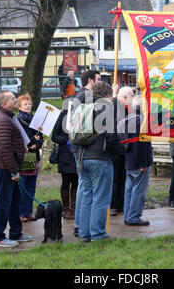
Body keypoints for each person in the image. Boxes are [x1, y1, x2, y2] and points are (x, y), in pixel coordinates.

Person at [71, 82, 120, 242]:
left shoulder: (84, 106)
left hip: (82, 157)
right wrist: (121, 148)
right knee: (101, 197)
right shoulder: (104, 108)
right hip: (100, 158)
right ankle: (98, 234)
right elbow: (111, 136)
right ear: (107, 96)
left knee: (87, 195)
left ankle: (84, 233)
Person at [0, 90, 32, 247]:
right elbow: (4, 148)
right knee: (4, 202)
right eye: (13, 99)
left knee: (15, 199)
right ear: (4, 103)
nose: (16, 100)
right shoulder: (3, 119)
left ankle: (16, 233)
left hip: (7, 165)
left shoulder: (8, 116)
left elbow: (9, 142)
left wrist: (21, 147)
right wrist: (14, 171)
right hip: (4, 166)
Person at [72, 70, 102, 237]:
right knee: (85, 187)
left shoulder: (78, 97)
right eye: (98, 79)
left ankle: (80, 224)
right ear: (90, 80)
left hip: (79, 147)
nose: (100, 82)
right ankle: (80, 224)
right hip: (84, 147)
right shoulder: (86, 97)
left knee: (84, 186)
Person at [121, 95, 152, 226]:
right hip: (139, 161)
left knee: (129, 189)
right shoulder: (141, 121)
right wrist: (143, 163)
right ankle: (133, 217)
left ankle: (128, 214)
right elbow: (141, 144)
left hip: (129, 160)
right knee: (139, 191)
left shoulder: (127, 119)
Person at [16, 94, 43, 222]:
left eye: (29, 104)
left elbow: (40, 137)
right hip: (22, 157)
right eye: (25, 104)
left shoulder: (36, 120)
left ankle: (28, 211)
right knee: (22, 186)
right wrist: (31, 141)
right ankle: (20, 212)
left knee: (31, 186)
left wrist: (36, 145)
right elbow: (18, 139)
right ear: (19, 106)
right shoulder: (17, 121)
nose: (28, 106)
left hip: (34, 157)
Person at [52, 98, 78, 220]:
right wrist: (65, 140)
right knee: (66, 181)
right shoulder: (62, 117)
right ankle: (66, 209)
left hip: (77, 154)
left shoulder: (79, 116)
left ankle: (74, 207)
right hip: (65, 155)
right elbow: (54, 136)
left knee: (76, 182)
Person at [110, 86, 133, 217]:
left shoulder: (129, 109)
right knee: (115, 178)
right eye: (131, 96)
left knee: (123, 178)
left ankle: (121, 203)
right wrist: (114, 93)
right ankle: (113, 204)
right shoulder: (115, 107)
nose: (132, 98)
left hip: (126, 148)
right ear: (124, 97)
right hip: (116, 148)